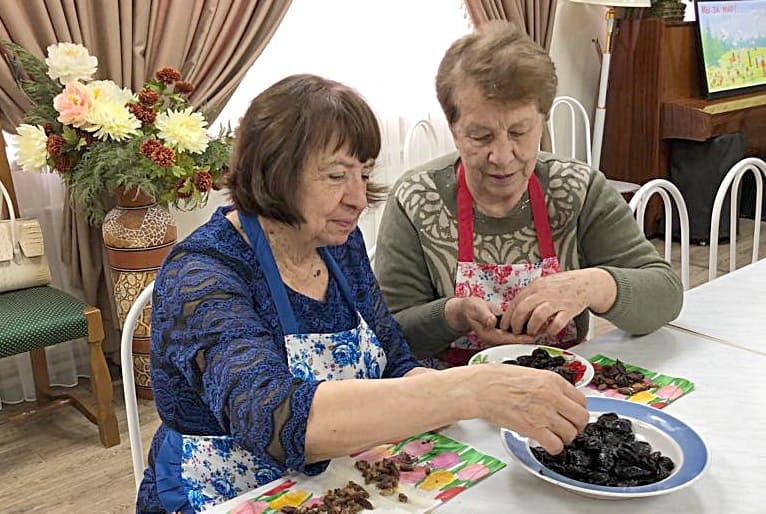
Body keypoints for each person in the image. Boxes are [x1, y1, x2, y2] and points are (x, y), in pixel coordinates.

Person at [136, 74, 589, 513]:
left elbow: (393, 359)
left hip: (335, 480)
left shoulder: (337, 243)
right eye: (336, 176)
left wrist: (489, 395)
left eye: (364, 172)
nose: (358, 198)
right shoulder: (202, 273)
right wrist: (470, 389)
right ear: (273, 172)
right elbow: (274, 418)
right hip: (222, 495)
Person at [374, 22, 683, 369]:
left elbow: (665, 295)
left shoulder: (577, 191)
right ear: (454, 130)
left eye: (519, 131)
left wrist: (593, 285)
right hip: (451, 400)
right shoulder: (416, 199)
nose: (503, 156)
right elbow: (388, 335)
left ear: (543, 121)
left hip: (558, 390)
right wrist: (453, 315)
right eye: (480, 136)